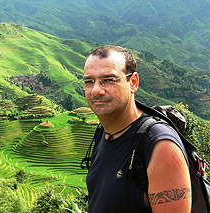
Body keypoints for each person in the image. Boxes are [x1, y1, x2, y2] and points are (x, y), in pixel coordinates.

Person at [81, 45, 191, 212]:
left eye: (109, 80)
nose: (96, 90)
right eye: (89, 81)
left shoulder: (160, 146)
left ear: (133, 82)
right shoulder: (103, 131)